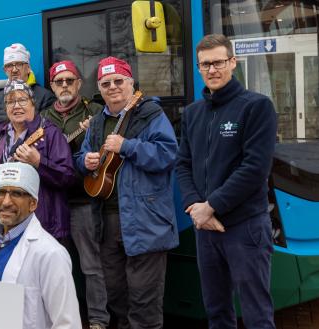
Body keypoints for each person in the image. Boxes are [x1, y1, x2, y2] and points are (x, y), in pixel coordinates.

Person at [176, 34, 277, 329]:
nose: (212, 70)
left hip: (245, 228)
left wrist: (212, 206)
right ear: (198, 67)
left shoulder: (256, 107)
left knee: (257, 312)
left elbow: (255, 168)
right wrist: (195, 206)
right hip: (205, 230)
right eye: (205, 64)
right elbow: (183, 164)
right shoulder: (193, 113)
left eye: (218, 62)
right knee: (216, 311)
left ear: (232, 62)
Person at [74, 57, 179, 329]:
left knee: (145, 300)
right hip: (106, 222)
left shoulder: (150, 114)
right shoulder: (97, 122)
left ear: (131, 83)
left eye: (119, 81)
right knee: (115, 295)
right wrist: (84, 161)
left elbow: (168, 155)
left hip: (146, 220)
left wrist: (127, 146)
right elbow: (82, 155)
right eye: (106, 83)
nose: (113, 87)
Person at [0, 162, 80, 329]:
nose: (6, 202)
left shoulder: (51, 254)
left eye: (17, 193)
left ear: (33, 203)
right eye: (1, 192)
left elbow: (67, 323)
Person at [40, 60, 107, 329]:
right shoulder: (43, 117)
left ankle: (98, 320)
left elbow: (106, 154)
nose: (65, 85)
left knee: (91, 265)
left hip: (82, 200)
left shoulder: (96, 111)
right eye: (59, 81)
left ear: (79, 83)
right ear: (53, 87)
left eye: (70, 80)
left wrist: (92, 134)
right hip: (53, 202)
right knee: (55, 267)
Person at [0, 80, 74, 243]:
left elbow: (67, 177)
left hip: (42, 226)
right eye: (10, 101)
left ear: (33, 104)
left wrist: (40, 163)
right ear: (6, 108)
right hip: (2, 225)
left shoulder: (51, 133)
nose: (16, 106)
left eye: (22, 100)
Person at [0, 43, 56, 124]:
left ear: (28, 68)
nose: (14, 70)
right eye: (9, 66)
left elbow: (46, 131)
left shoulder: (45, 96)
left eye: (19, 64)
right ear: (5, 70)